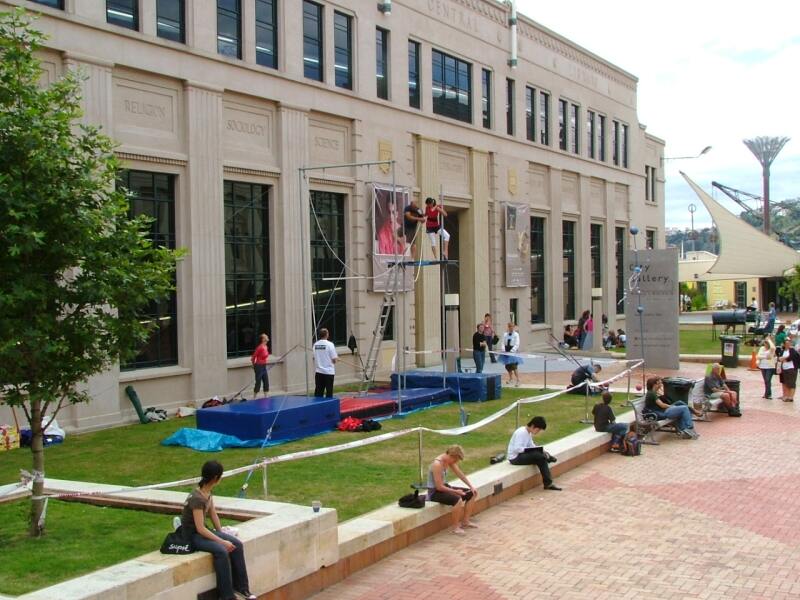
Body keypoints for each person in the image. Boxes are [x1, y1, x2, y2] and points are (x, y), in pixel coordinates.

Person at [182, 461, 256, 600]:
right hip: (192, 536)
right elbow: (200, 528)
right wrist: (222, 541)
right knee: (221, 551)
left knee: (237, 545)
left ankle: (242, 588)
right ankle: (227, 595)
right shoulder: (197, 498)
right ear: (216, 478)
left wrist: (221, 532)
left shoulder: (207, 492)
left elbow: (212, 513)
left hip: (202, 532)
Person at [426, 445, 479, 535]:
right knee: (458, 500)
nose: (455, 462)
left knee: (472, 493)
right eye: (455, 460)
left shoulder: (449, 461)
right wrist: (455, 492)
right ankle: (455, 528)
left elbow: (460, 474)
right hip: (434, 492)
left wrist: (471, 486)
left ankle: (465, 521)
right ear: (451, 456)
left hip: (444, 488)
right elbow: (439, 487)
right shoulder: (437, 464)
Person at [507, 416, 562, 491]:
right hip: (515, 458)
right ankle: (548, 459)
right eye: (538, 429)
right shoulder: (521, 432)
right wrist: (530, 450)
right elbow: (517, 449)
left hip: (522, 455)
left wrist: (539, 450)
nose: (538, 431)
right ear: (533, 426)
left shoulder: (528, 433)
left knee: (541, 455)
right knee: (539, 456)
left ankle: (548, 483)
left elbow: (531, 445)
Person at [313, 328, 338, 398]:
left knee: (318, 392)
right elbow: (334, 360)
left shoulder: (315, 345)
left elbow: (315, 356)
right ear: (327, 335)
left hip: (319, 372)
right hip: (328, 372)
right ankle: (328, 407)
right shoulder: (330, 345)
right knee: (329, 392)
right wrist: (336, 359)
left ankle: (317, 407)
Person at [499, 322, 523, 386]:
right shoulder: (505, 334)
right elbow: (503, 343)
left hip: (513, 352)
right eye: (509, 326)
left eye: (512, 326)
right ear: (508, 327)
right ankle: (511, 379)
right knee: (508, 366)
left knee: (514, 366)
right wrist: (503, 350)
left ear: (514, 327)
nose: (511, 328)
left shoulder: (516, 334)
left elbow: (517, 344)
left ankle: (518, 380)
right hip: (506, 351)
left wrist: (512, 351)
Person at [778, 337, 799, 402]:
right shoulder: (782, 351)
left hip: (791, 369)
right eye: (786, 343)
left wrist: (784, 359)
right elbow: (779, 358)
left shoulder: (792, 350)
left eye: (789, 343)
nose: (788, 344)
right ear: (784, 344)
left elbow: (791, 357)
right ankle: (786, 395)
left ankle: (791, 397)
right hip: (784, 369)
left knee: (792, 383)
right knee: (786, 382)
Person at [250, 333, 270, 398]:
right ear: (263, 339)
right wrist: (254, 365)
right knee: (258, 382)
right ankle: (254, 397)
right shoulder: (260, 347)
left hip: (264, 366)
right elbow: (253, 357)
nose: (267, 336)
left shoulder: (266, 347)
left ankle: (266, 396)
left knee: (266, 381)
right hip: (258, 366)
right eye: (265, 336)